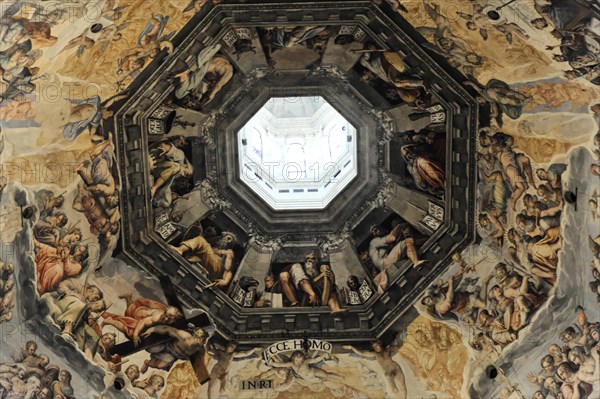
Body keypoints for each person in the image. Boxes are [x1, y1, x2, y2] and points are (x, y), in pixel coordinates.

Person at [278, 252, 347, 314]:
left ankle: (336, 309)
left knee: (332, 293)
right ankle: (294, 303)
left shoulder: (319, 271)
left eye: (312, 258)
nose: (310, 260)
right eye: (307, 258)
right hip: (301, 298)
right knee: (284, 275)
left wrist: (331, 279)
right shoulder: (297, 267)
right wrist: (312, 294)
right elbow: (302, 281)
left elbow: (327, 287)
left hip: (318, 300)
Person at [102, 292, 182, 346]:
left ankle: (128, 297)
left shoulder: (172, 320)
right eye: (166, 315)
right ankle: (110, 321)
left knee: (129, 311)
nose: (166, 318)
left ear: (174, 319)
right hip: (137, 313)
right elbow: (142, 322)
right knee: (130, 331)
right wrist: (135, 335)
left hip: (141, 310)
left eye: (169, 318)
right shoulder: (157, 318)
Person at [169, 231, 236, 287]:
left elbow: (228, 270)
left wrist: (225, 281)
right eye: (228, 238)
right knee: (197, 251)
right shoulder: (212, 248)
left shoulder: (229, 252)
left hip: (215, 269)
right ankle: (185, 256)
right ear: (223, 237)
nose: (229, 241)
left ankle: (180, 250)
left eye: (231, 241)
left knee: (200, 240)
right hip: (205, 266)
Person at [140, 324, 208, 373]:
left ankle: (147, 363)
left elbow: (200, 359)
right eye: (203, 340)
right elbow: (167, 329)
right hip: (166, 346)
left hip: (172, 356)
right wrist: (152, 329)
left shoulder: (199, 349)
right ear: (198, 338)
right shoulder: (184, 336)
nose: (204, 342)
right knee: (150, 349)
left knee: (160, 365)